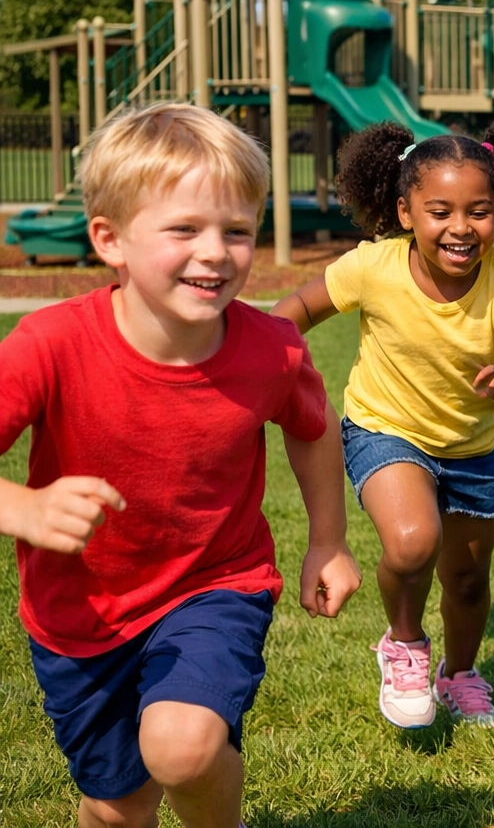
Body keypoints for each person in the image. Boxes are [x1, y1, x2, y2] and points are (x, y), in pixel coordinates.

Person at [0, 104, 361, 828]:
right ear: (111, 239)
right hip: (81, 615)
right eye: (184, 229)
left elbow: (313, 429)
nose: (216, 252)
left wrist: (328, 537)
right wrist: (24, 508)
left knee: (183, 747)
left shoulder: (273, 348)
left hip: (215, 583)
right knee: (116, 805)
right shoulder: (49, 345)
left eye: (236, 231)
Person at [271, 117, 494, 729]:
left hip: (471, 447)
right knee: (411, 542)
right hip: (384, 427)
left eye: (479, 212)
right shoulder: (372, 266)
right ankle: (404, 644)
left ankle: (460, 674)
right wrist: (261, 354)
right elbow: (296, 309)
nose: (461, 228)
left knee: (466, 580)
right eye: (440, 211)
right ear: (406, 212)